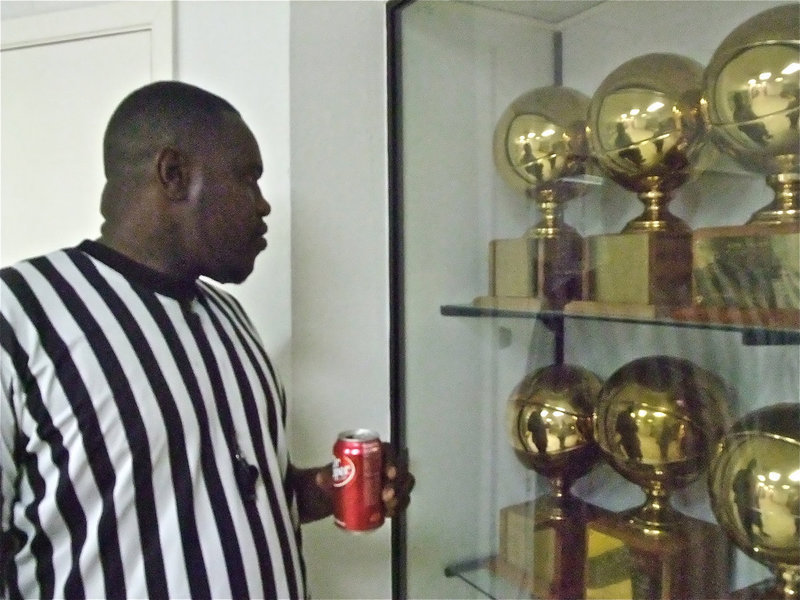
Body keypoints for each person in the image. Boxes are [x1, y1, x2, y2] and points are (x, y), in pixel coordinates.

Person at [0, 81, 414, 600]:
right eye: (248, 179)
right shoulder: (20, 313)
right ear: (174, 175)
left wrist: (327, 490)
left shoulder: (229, 317)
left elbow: (242, 488)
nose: (264, 206)